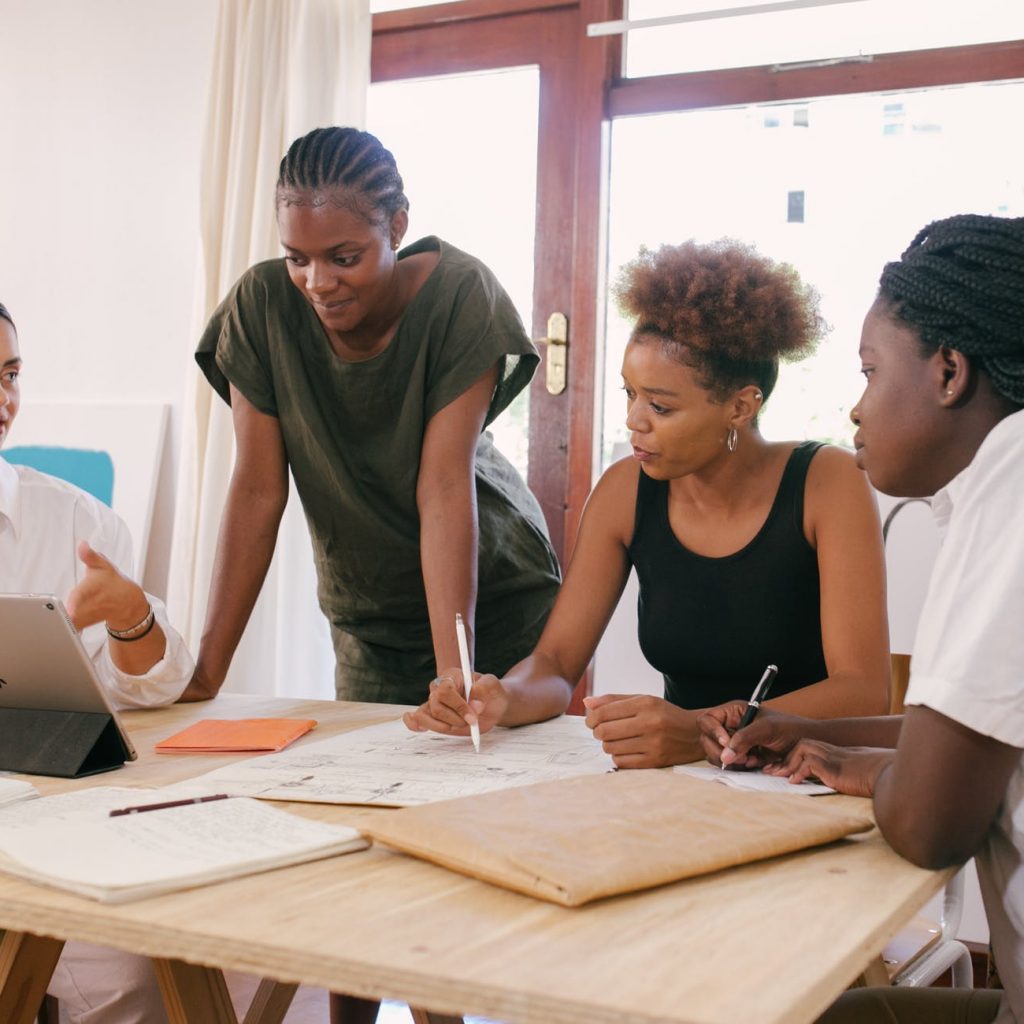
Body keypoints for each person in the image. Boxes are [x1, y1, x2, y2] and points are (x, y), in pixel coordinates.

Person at [405, 239, 890, 767]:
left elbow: (864, 692)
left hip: (808, 776)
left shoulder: (827, 483)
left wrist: (696, 729)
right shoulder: (624, 491)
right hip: (686, 778)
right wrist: (503, 696)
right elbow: (555, 663)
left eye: (660, 405)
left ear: (740, 405)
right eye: (629, 394)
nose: (635, 421)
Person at [709, 213, 1024, 1023]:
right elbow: (986, 730)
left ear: (949, 371)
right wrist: (855, 748)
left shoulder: (1013, 485)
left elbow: (927, 827)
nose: (856, 408)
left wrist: (880, 775)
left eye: (870, 372)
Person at [183, 126, 560, 709]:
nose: (318, 282)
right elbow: (257, 489)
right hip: (369, 623)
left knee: (483, 786)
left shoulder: (461, 296)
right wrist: (205, 676)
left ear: (398, 227)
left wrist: (452, 678)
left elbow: (441, 486)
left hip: (495, 607)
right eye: (296, 259)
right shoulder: (260, 307)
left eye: (344, 258)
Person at [1, 299, 193, 1021]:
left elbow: (152, 685)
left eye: (12, 374)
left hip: (66, 821)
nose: (5, 399)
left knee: (171, 969)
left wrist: (129, 614)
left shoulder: (79, 521)